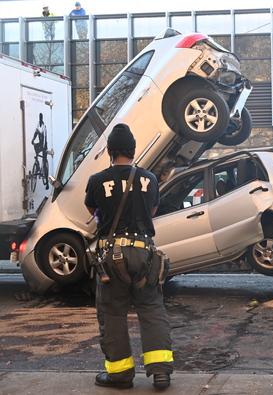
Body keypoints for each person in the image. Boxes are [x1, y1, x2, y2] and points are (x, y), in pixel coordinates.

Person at [84, 123, 174, 390]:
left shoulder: (97, 180)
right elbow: (153, 209)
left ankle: (120, 376)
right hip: (145, 254)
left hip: (111, 256)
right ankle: (160, 373)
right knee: (151, 309)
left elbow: (92, 210)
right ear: (134, 151)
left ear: (110, 152)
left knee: (112, 313)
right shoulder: (150, 179)